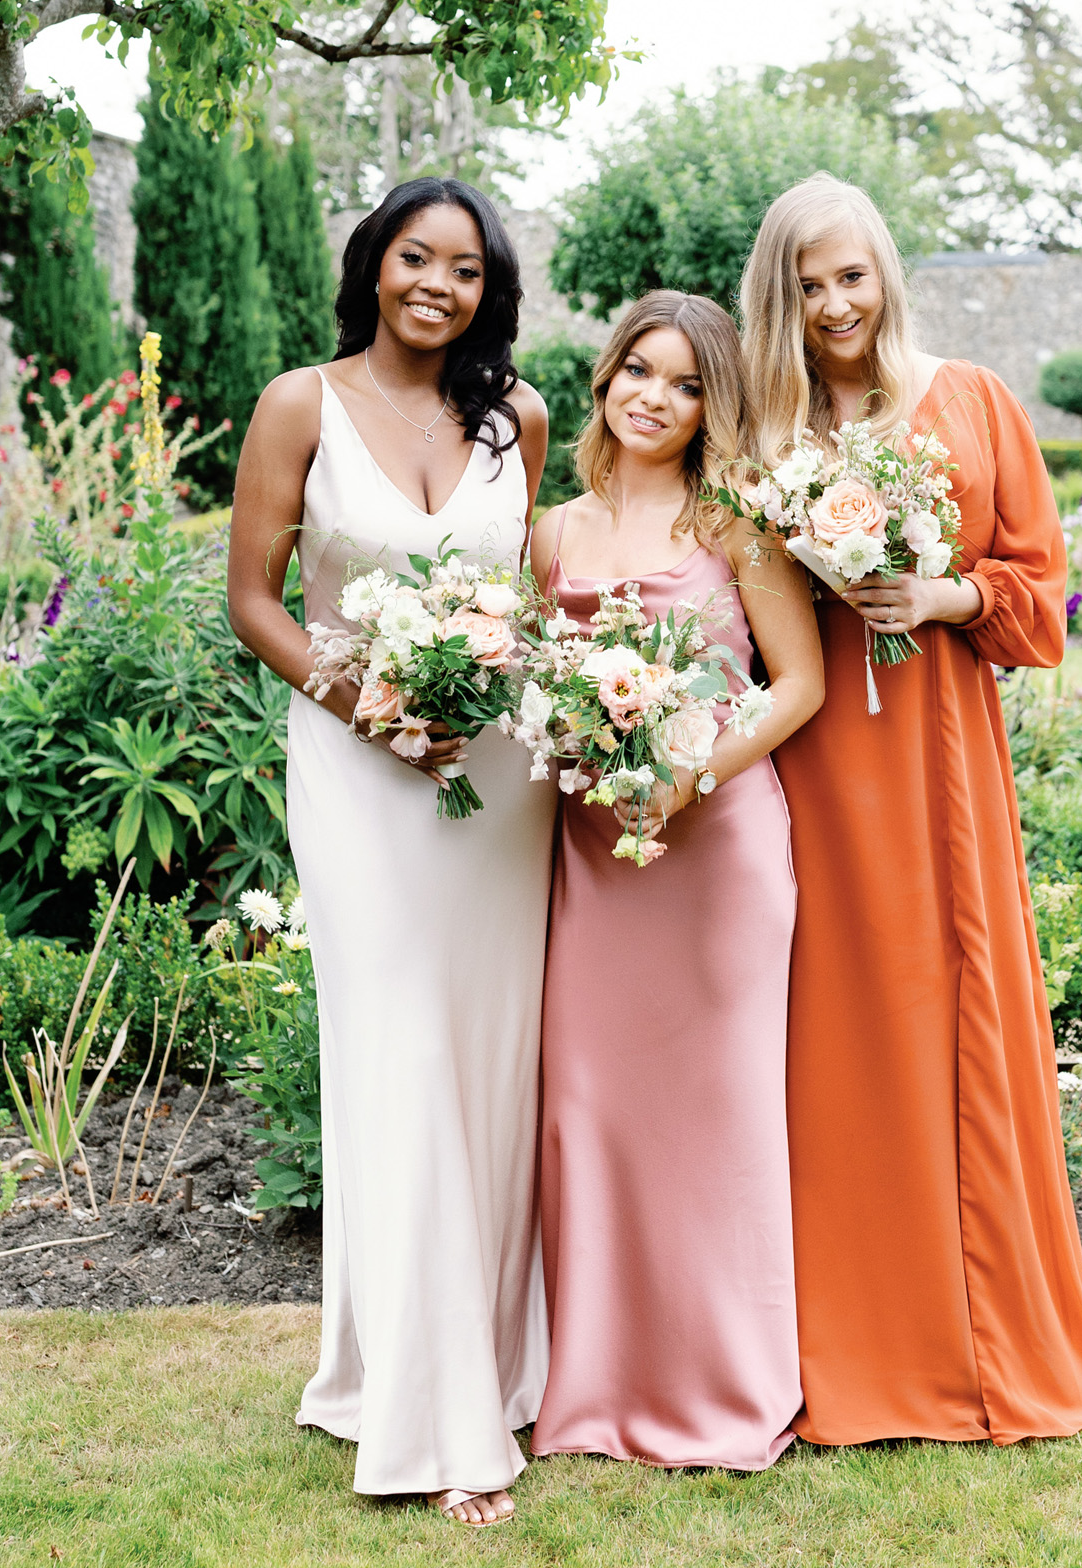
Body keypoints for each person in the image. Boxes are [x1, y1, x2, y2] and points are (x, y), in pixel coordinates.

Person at [739, 173, 1082, 1447]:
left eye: (850, 277)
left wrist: (943, 598)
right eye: (806, 287)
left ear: (886, 273)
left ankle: (979, 1327)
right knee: (833, 1033)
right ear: (780, 297)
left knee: (953, 1005)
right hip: (816, 766)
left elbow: (1040, 597)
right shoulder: (763, 438)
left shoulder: (971, 400)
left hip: (941, 755)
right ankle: (841, 1335)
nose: (832, 306)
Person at [228, 178, 554, 1528]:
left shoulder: (520, 416)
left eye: (466, 268)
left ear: (489, 289)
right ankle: (433, 1421)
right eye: (417, 257)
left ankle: (469, 1362)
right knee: (399, 1052)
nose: (439, 282)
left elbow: (531, 600)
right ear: (374, 266)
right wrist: (367, 701)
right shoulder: (299, 403)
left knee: (486, 1063)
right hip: (358, 771)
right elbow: (253, 598)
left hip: (499, 780)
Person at [529, 291, 824, 1472]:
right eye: (637, 372)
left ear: (716, 405)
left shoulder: (734, 526)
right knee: (591, 1110)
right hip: (596, 857)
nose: (656, 397)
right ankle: (592, 1392)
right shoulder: (551, 533)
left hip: (720, 856)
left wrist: (692, 769)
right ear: (604, 380)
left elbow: (792, 683)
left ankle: (729, 1389)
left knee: (718, 1120)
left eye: (687, 383)